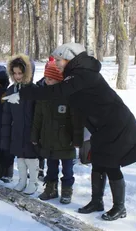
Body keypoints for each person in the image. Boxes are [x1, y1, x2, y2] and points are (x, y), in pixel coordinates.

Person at [19, 42, 136, 221]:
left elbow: (57, 91)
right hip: (101, 126)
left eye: (58, 60)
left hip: (116, 124)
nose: (55, 63)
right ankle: (96, 201)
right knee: (98, 163)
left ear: (69, 58)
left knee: (110, 164)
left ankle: (119, 207)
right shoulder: (75, 74)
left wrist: (24, 93)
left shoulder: (83, 75)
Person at [32, 59, 83, 204]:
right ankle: (51, 189)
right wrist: (35, 136)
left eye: (51, 79)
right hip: (48, 140)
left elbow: (76, 119)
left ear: (59, 79)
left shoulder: (69, 96)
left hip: (66, 140)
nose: (47, 81)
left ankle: (67, 190)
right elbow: (38, 118)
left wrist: (77, 139)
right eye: (46, 78)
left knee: (67, 170)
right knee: (51, 168)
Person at [1, 54, 39, 194]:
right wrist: (6, 134)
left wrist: (37, 133)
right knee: (21, 158)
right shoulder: (11, 90)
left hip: (30, 131)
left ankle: (33, 182)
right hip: (17, 130)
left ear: (27, 72)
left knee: (31, 158)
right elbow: (7, 115)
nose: (17, 76)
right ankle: (22, 180)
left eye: (20, 73)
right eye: (15, 73)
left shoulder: (34, 90)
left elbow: (38, 114)